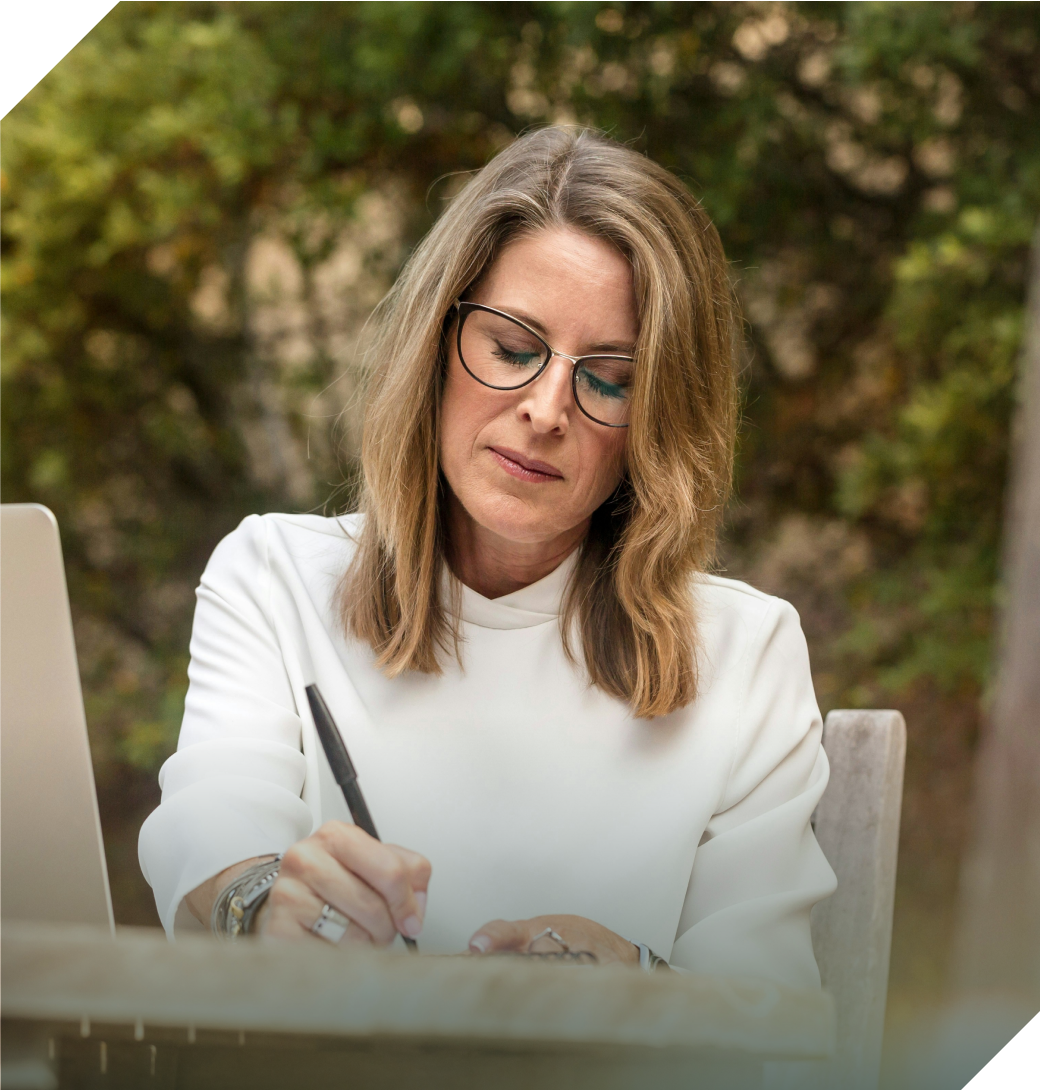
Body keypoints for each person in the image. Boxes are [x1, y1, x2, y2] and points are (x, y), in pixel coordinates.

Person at [138, 126, 836, 984]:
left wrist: (642, 988)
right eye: (512, 348)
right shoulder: (275, 577)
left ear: (658, 420)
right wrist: (261, 900)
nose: (547, 409)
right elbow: (214, 825)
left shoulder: (746, 653)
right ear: (437, 341)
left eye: (609, 378)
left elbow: (768, 1018)